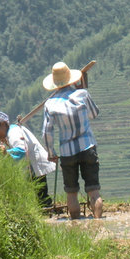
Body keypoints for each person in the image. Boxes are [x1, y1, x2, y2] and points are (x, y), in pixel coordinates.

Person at [41, 61, 102, 219]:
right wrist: (83, 91)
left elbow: (47, 132)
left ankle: (75, 226)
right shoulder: (82, 94)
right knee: (93, 190)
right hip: (88, 147)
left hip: (67, 152)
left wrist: (50, 152)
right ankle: (98, 224)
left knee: (71, 192)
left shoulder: (50, 104)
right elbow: (94, 114)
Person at [0, 110, 55, 208]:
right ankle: (43, 206)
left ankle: (45, 206)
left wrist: (6, 152)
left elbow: (21, 150)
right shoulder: (11, 132)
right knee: (36, 187)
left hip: (35, 163)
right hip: (31, 164)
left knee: (40, 188)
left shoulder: (13, 133)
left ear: (3, 124)